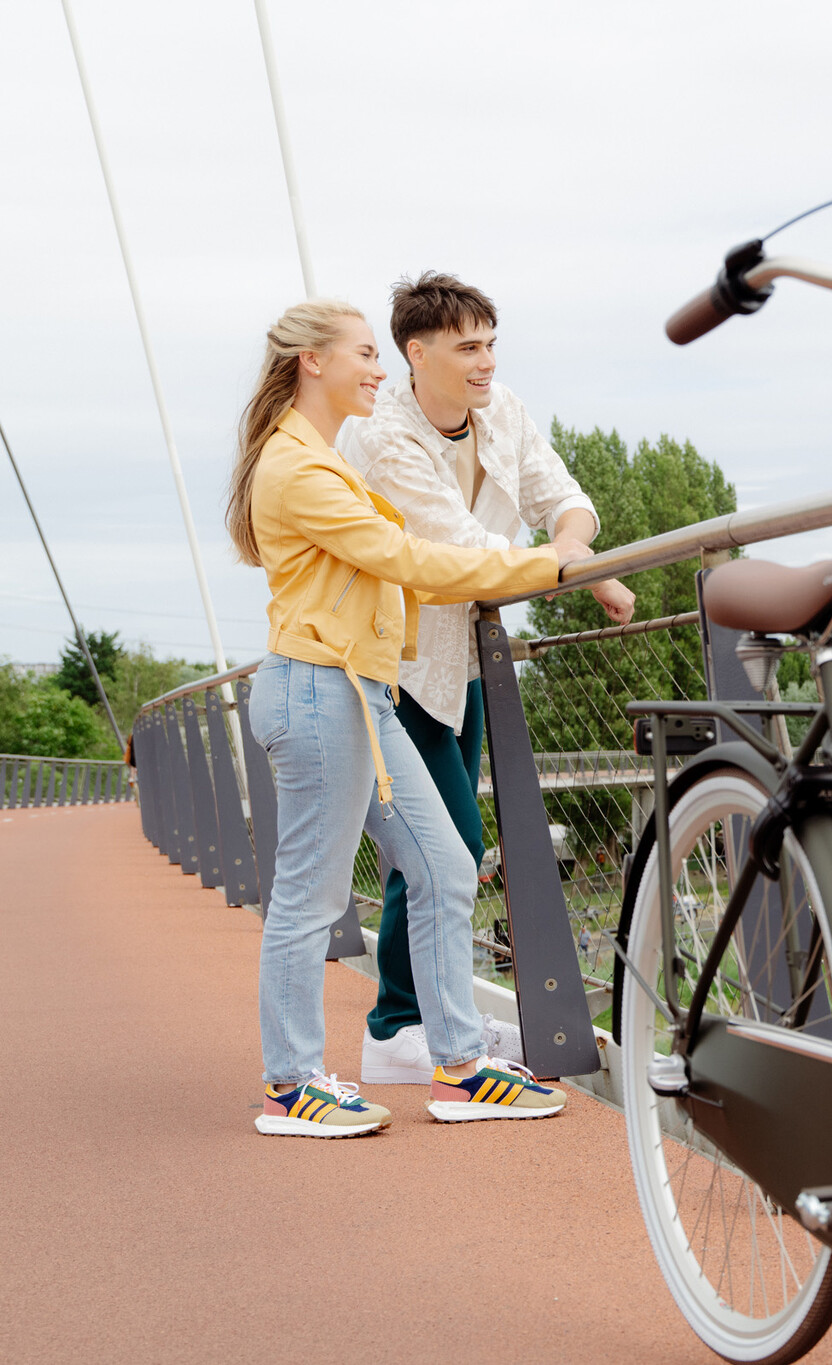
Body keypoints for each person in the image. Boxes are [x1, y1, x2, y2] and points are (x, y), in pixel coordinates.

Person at [227, 298, 578, 1136]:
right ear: (313, 362)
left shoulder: (317, 454)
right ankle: (290, 1084)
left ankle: (458, 1067)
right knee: (310, 896)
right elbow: (408, 558)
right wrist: (548, 563)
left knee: (448, 867)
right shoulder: (297, 467)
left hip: (359, 692)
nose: (378, 370)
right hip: (319, 692)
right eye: (364, 355)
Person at [338, 272, 635, 1084]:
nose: (486, 362)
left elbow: (566, 500)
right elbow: (463, 549)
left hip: (467, 657)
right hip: (395, 661)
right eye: (468, 347)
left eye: (491, 344)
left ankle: (423, 1023)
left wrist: (573, 548)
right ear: (417, 353)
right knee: (449, 844)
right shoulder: (382, 436)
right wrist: (578, 569)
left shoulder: (502, 410)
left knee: (440, 846)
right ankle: (401, 1025)